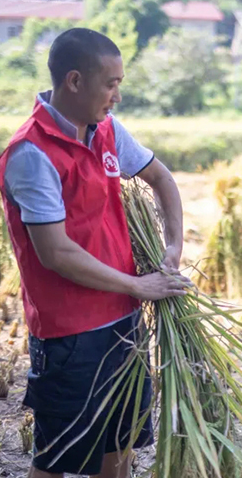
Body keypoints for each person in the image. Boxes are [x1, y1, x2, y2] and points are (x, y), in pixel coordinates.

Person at [0, 28, 190, 478]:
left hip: (122, 326)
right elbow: (56, 252)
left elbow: (161, 179)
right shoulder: (31, 153)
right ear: (74, 81)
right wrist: (137, 285)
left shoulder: (105, 130)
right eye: (111, 84)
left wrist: (173, 246)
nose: (118, 96)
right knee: (56, 464)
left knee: (119, 452)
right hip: (70, 339)